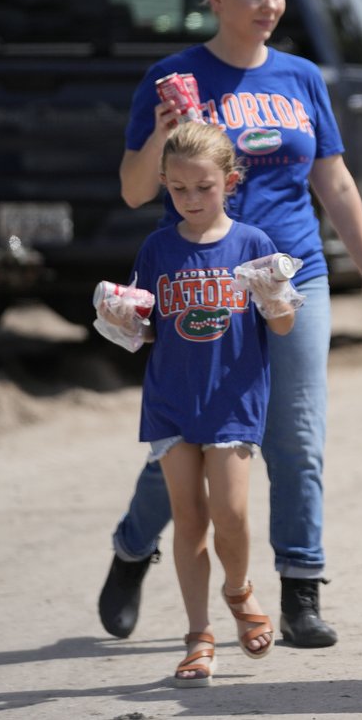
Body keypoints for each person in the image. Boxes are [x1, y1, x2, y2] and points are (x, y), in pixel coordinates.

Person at [100, 0, 362, 649]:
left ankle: (300, 588)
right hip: (202, 280)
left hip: (293, 273)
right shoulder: (174, 77)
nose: (270, 5)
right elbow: (138, 190)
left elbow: (334, 179)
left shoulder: (301, 78)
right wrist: (163, 133)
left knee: (294, 434)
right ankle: (132, 549)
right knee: (193, 436)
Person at [97, 121, 296, 686]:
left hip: (233, 401)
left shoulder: (254, 244)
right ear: (164, 183)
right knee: (190, 519)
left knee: (231, 515)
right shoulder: (157, 248)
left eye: (203, 188)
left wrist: (275, 293)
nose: (191, 199)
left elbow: (282, 325)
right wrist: (122, 319)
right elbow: (148, 329)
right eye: (178, 189)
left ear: (230, 182)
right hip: (171, 402)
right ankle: (198, 635)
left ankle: (239, 590)